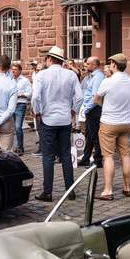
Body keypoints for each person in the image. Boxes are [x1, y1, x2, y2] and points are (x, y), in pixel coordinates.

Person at [31, 46, 83, 202]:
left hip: (48, 119)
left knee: (48, 156)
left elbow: (35, 97)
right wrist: (73, 110)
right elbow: (79, 97)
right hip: (65, 119)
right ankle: (70, 190)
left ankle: (48, 192)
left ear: (49, 59)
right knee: (66, 155)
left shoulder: (41, 75)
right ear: (61, 61)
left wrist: (38, 111)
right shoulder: (71, 75)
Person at [94, 53, 130, 200]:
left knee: (108, 157)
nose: (110, 65)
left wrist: (104, 104)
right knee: (125, 155)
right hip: (125, 122)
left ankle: (108, 190)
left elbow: (96, 99)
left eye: (111, 63)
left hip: (109, 122)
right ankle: (127, 188)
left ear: (114, 65)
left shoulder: (108, 81)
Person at [78, 57, 104, 168]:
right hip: (90, 109)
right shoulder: (93, 76)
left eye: (88, 64)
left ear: (94, 65)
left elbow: (95, 97)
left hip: (94, 109)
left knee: (95, 136)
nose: (86, 66)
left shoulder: (98, 77)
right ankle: (86, 158)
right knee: (89, 135)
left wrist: (87, 108)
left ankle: (98, 160)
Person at [11, 62, 32, 154]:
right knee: (12, 128)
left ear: (20, 71)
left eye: (15, 70)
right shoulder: (9, 80)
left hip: (20, 104)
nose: (13, 71)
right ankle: (12, 147)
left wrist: (22, 94)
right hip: (11, 105)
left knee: (18, 127)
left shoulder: (25, 80)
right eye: (12, 70)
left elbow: (30, 93)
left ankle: (20, 147)